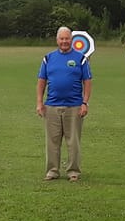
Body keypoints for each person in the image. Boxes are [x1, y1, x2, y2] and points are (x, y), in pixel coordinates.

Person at [35, 26, 92, 182]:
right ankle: (52, 171)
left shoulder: (81, 59)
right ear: (57, 40)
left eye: (67, 38)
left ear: (72, 40)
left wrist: (85, 102)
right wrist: (40, 102)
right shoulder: (48, 58)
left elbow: (87, 81)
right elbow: (41, 81)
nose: (64, 41)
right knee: (52, 141)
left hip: (74, 106)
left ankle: (73, 171)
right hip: (52, 106)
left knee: (73, 141)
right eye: (62, 38)